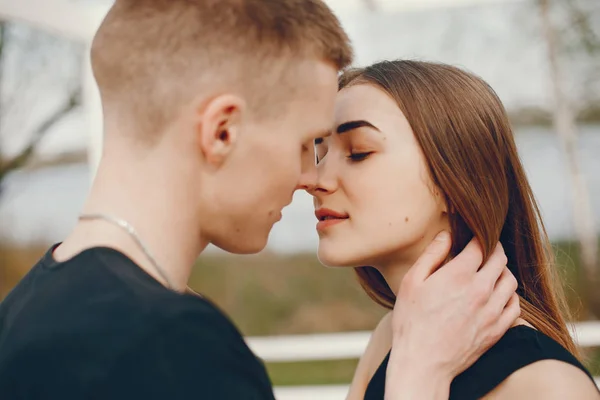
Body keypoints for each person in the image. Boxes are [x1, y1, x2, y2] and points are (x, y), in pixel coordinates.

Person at [0, 2, 518, 399]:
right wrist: (417, 376)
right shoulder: (172, 350)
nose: (306, 179)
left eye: (353, 151)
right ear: (221, 131)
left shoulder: (24, 310)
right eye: (305, 144)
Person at [310, 59, 600, 399]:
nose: (316, 180)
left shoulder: (548, 387)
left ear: (456, 184)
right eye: (319, 155)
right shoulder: (393, 336)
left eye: (358, 152)